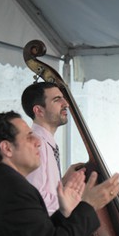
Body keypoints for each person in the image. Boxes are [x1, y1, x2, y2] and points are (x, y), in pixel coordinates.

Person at [21, 81, 83, 215]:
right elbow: (36, 198)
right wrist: (74, 200)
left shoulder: (48, 143)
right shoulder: (37, 145)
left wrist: (63, 182)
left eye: (63, 98)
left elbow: (44, 189)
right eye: (57, 99)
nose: (65, 103)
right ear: (38, 110)